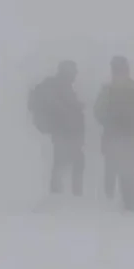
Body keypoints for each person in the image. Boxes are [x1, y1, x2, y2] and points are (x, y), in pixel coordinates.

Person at [94, 56, 134, 211]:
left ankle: (125, 201)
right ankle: (127, 201)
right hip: (130, 137)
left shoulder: (109, 90)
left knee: (124, 168)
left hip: (121, 137)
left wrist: (110, 120)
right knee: (128, 169)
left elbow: (98, 112)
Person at [29, 60, 86, 196]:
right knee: (71, 162)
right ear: (67, 71)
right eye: (74, 71)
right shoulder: (61, 86)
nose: (76, 74)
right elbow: (61, 107)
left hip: (63, 131)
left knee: (63, 162)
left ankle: (59, 193)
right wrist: (73, 110)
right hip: (65, 131)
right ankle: (69, 194)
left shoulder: (61, 85)